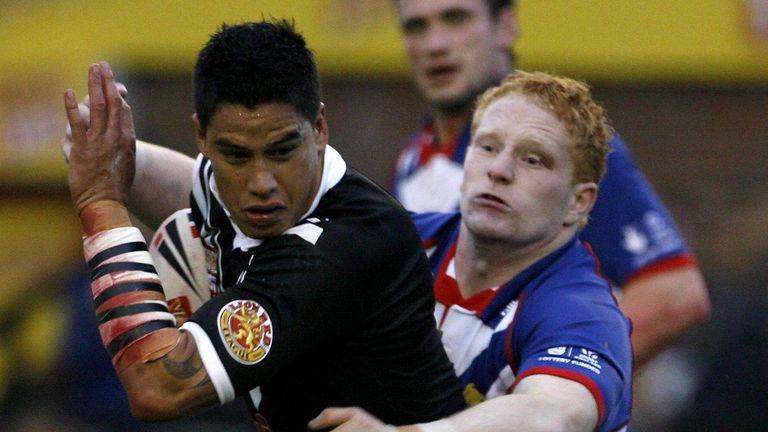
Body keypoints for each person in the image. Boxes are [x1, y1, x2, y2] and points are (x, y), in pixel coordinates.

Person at [62, 20, 465, 431]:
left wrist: (100, 200)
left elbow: (158, 388)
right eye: (236, 156)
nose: (261, 184)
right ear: (201, 135)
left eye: (283, 150)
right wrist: (106, 151)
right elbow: (196, 188)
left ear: (321, 128)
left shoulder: (339, 248)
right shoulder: (252, 195)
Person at [389, 0, 709, 368]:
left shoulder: (560, 148)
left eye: (456, 19)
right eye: (416, 27)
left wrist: (549, 384)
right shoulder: (411, 160)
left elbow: (674, 295)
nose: (435, 44)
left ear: (506, 26)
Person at [310, 70, 633, 432]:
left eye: (533, 160)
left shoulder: (580, 311)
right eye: (488, 147)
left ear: (579, 201)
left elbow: (555, 414)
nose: (499, 170)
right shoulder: (390, 242)